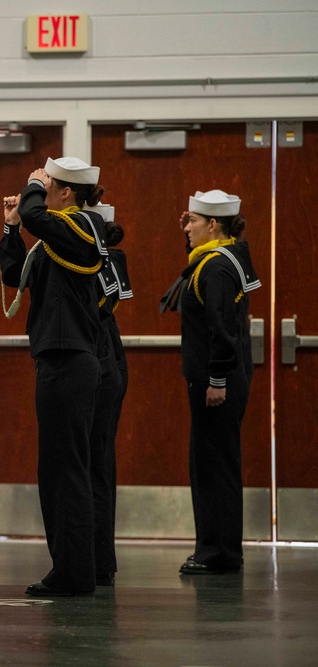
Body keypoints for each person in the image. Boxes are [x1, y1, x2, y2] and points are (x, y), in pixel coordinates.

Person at [0, 157, 108, 597]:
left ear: (65, 192)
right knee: (56, 471)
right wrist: (10, 229)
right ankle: (68, 565)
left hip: (70, 360)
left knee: (68, 471)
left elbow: (35, 214)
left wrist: (30, 185)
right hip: (57, 359)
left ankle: (76, 572)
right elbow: (14, 275)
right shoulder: (57, 238)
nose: (43, 189)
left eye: (50, 184)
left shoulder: (83, 226)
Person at [160, 190, 260, 575]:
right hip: (222, 379)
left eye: (193, 222)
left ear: (213, 225)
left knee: (213, 467)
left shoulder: (214, 267)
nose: (186, 228)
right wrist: (198, 217)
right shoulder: (228, 254)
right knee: (215, 464)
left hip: (216, 384)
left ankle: (217, 553)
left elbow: (221, 331)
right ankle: (218, 549)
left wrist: (216, 380)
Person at [85, 202, 130, 587]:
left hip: (99, 366)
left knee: (92, 466)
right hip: (109, 361)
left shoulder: (97, 262)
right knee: (99, 466)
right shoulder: (111, 260)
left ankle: (95, 558)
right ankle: (100, 558)